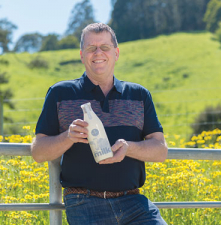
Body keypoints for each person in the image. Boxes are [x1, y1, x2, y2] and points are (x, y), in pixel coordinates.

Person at [31, 23, 168, 225]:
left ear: (116, 53)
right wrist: (68, 137)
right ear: (81, 54)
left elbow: (160, 151)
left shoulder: (139, 95)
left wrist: (129, 148)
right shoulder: (60, 93)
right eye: (90, 48)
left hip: (134, 203)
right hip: (83, 203)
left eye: (104, 47)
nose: (98, 53)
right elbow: (38, 152)